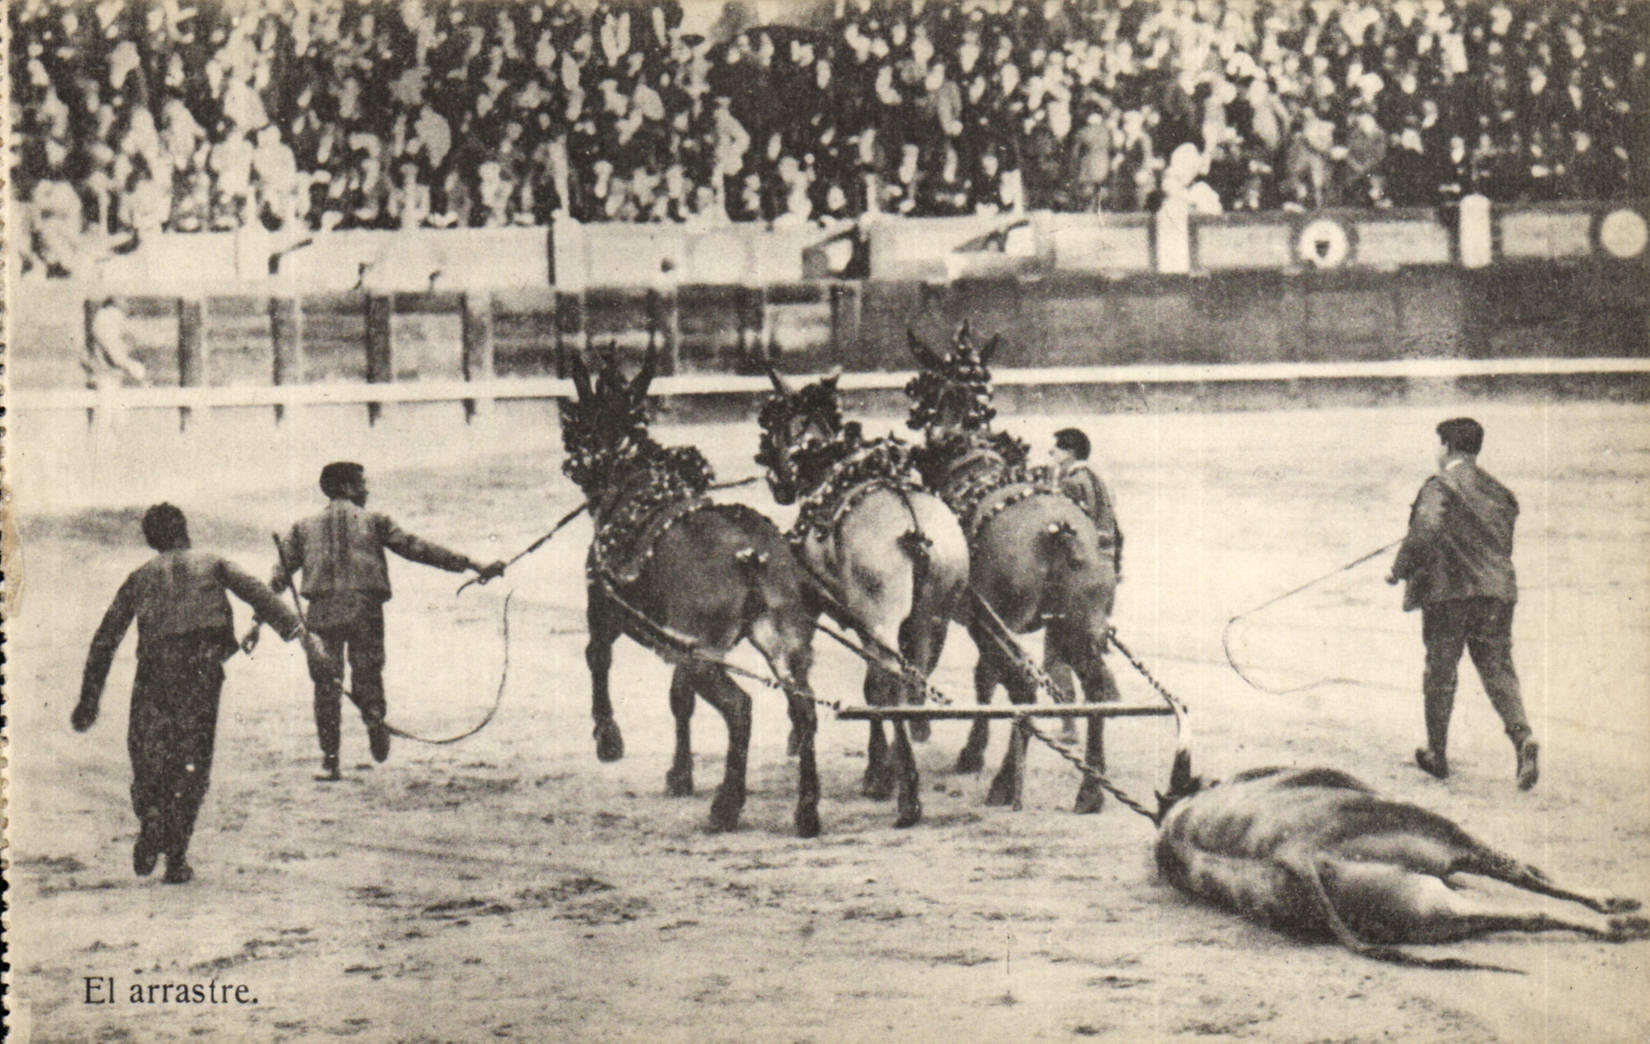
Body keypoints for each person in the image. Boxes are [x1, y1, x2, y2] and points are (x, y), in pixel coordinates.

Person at [72, 504, 330, 884]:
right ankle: (176, 859)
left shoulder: (140, 576)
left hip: (155, 671)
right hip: (203, 670)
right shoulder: (214, 563)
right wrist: (304, 639)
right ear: (185, 531)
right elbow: (261, 596)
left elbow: (106, 638)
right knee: (193, 761)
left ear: (151, 540)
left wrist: (89, 698)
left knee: (147, 752)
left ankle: (152, 815)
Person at [273, 462, 506, 780]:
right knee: (368, 673)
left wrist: (258, 621)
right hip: (364, 609)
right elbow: (417, 548)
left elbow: (278, 579)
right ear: (347, 487)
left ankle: (330, 761)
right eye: (361, 483)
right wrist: (473, 564)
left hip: (322, 612)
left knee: (326, 685)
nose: (366, 489)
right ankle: (374, 719)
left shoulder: (302, 527)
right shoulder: (375, 521)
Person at [1388, 418, 1539, 790]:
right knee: (1497, 667)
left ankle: (1437, 754)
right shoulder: (1501, 492)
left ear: (1446, 447)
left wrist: (1399, 570)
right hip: (1497, 593)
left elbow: (1425, 531)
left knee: (1440, 672)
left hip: (1449, 594)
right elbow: (1498, 544)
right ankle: (1523, 738)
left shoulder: (1439, 485)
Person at [1045, 427, 1124, 742]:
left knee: (1055, 655)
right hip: (1104, 572)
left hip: (1080, 575)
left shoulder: (1072, 483)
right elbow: (1117, 530)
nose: (1051, 455)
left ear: (1069, 452)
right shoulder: (1099, 481)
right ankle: (1108, 694)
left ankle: (1068, 725)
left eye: (1055, 450)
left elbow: (1067, 533)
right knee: (1087, 643)